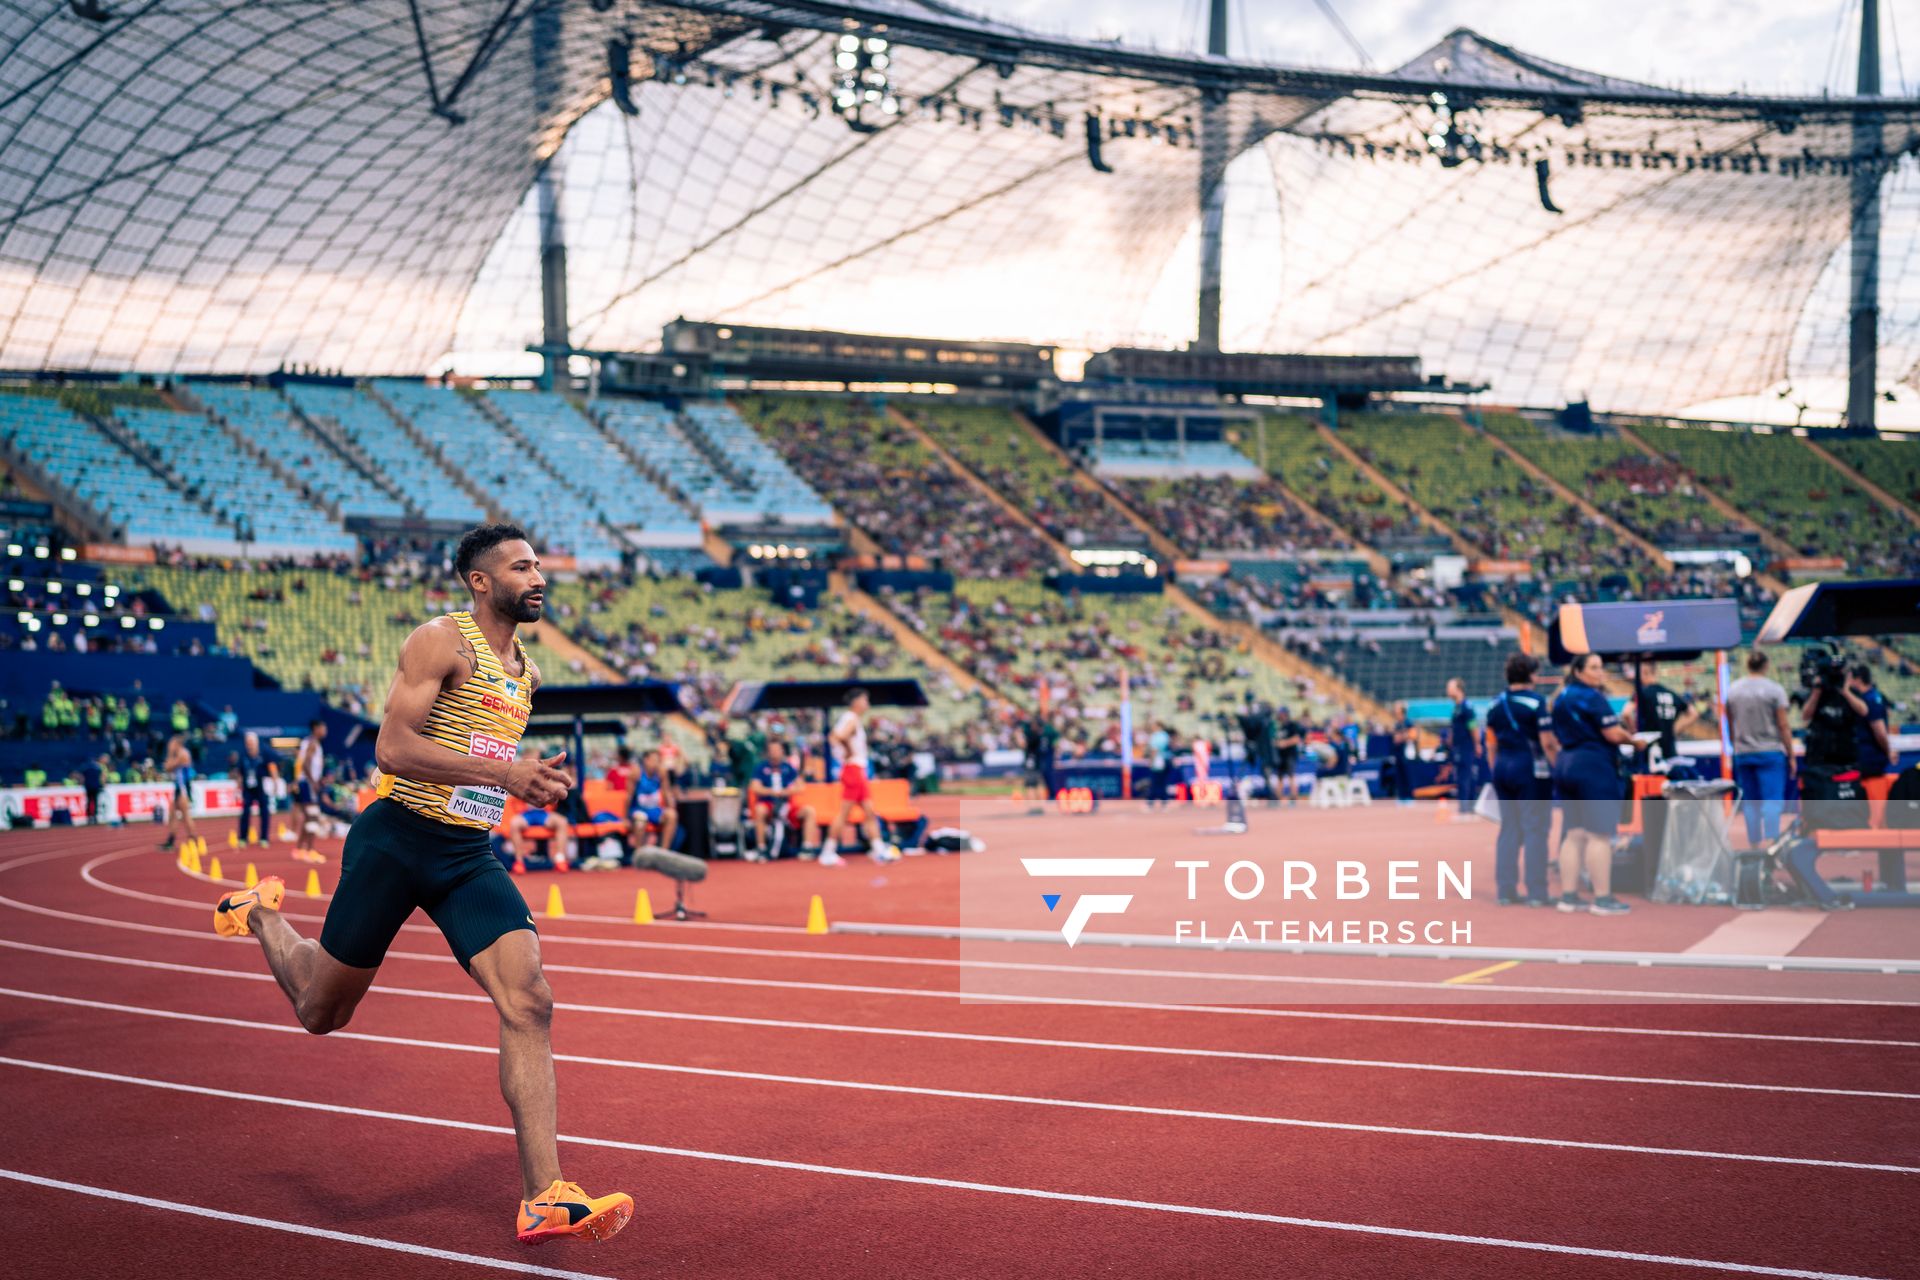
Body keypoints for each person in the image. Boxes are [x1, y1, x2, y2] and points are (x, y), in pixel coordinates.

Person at [208, 523, 632, 1246]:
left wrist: (529, 782)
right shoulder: (441, 640)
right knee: (320, 1011)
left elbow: (474, 754)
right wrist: (505, 773)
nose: (538, 577)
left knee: (530, 998)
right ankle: (259, 915)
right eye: (521, 567)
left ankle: (543, 1196)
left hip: (466, 854)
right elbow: (394, 746)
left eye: (539, 566)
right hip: (397, 840)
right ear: (479, 580)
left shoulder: (526, 671)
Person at [1550, 653, 1635, 915]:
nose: (1600, 673)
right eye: (1594, 668)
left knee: (1574, 833)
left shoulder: (1560, 697)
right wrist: (1634, 740)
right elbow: (1612, 733)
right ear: (1578, 671)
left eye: (1601, 668)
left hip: (1566, 763)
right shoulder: (1592, 697)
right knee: (1599, 834)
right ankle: (1602, 898)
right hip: (1593, 765)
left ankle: (1568, 896)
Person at [1487, 654, 1555, 906]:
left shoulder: (1495, 703)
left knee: (1509, 829)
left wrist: (1494, 771)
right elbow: (1547, 741)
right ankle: (1537, 892)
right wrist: (1557, 768)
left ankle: (1505, 890)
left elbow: (1490, 743)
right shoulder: (1538, 702)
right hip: (1529, 767)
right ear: (1530, 675)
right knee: (1535, 828)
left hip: (1502, 766)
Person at [821, 687, 896, 867]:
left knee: (869, 811)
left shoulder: (850, 718)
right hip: (853, 768)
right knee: (844, 813)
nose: (867, 704)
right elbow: (836, 736)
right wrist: (849, 751)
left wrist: (846, 750)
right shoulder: (851, 719)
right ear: (856, 702)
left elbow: (834, 736)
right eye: (864, 700)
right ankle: (828, 852)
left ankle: (878, 849)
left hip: (856, 768)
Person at [1727, 649, 1794, 846]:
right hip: (1770, 752)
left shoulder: (1733, 690)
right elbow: (1783, 725)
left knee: (1751, 802)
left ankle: (1754, 844)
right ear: (1766, 665)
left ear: (1748, 665)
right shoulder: (1774, 690)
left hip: (1743, 752)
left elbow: (1730, 724)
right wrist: (1790, 754)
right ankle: (1772, 843)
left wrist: (1736, 746)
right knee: (1771, 801)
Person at [748, 739, 813, 859]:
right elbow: (754, 787)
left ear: (782, 751)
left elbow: (801, 787)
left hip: (786, 805)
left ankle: (807, 848)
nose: (775, 752)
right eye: (772, 750)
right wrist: (771, 792)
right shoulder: (761, 768)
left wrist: (785, 792)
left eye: (777, 750)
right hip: (768, 804)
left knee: (809, 811)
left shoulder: (788, 768)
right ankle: (761, 848)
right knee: (759, 810)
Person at [1632, 660, 1699, 773]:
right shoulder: (1670, 693)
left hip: (1646, 755)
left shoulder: (1642, 693)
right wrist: (1673, 730)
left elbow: (1626, 713)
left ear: (1645, 672)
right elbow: (1693, 713)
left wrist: (1634, 732)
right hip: (1669, 754)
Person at [629, 747, 677, 852]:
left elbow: (666, 792)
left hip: (654, 810)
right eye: (653, 760)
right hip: (639, 809)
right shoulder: (636, 772)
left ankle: (664, 851)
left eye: (658, 760)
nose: (656, 763)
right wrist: (625, 818)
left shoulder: (661, 772)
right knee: (640, 822)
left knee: (672, 815)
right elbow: (628, 796)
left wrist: (670, 805)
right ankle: (639, 853)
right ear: (646, 760)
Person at [235, 730, 277, 847]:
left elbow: (272, 768)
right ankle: (243, 838)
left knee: (264, 812)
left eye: (251, 742)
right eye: (247, 742)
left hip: (261, 787)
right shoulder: (243, 755)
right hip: (248, 787)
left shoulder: (264, 753)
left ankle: (264, 838)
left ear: (256, 742)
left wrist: (275, 783)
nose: (249, 745)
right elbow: (239, 773)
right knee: (245, 812)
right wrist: (237, 787)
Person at [1851, 664, 1892, 779]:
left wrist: (1888, 751)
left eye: (1850, 680)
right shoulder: (1865, 698)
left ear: (1858, 680)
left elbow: (1880, 732)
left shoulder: (1871, 699)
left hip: (1870, 759)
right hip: (1864, 757)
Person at [157, 733, 197, 852]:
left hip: (183, 787)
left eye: (171, 744)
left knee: (185, 815)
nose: (170, 746)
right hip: (179, 787)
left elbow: (168, 767)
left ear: (177, 744)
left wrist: (169, 754)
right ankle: (171, 840)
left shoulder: (182, 754)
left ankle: (193, 839)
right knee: (173, 813)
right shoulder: (179, 754)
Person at [1447, 677, 1480, 809]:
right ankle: (1466, 805)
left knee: (1465, 776)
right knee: (1461, 776)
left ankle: (1466, 806)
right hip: (1458, 746)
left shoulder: (1466, 707)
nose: (1447, 691)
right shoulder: (1456, 707)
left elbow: (1473, 726)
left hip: (1466, 746)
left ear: (1458, 689)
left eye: (1450, 688)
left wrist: (1477, 744)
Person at [1272, 707, 1304, 806]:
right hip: (1280, 756)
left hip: (1290, 755)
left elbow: (1297, 738)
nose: (1279, 715)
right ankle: (1277, 798)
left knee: (1291, 776)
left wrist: (1285, 743)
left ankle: (1294, 797)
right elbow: (1274, 740)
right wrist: (1276, 743)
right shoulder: (1278, 727)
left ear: (1285, 714)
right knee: (1280, 777)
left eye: (1280, 713)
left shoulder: (1292, 725)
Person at [1146, 720, 1173, 809]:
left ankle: (1151, 803)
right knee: (1162, 783)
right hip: (1165, 761)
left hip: (1159, 761)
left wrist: (1152, 761)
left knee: (1155, 782)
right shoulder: (1165, 735)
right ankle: (1164, 803)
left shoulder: (1157, 736)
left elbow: (1155, 750)